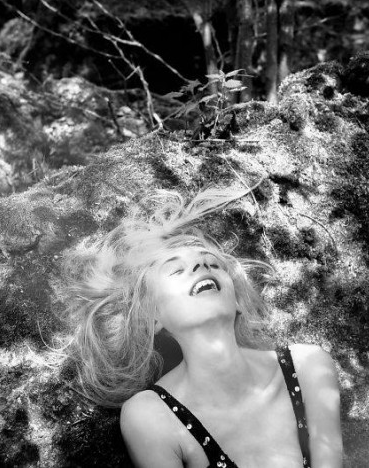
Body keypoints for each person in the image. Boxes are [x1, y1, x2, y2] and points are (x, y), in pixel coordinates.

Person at [62, 187, 343, 467]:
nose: (201, 265)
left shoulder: (307, 366)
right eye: (176, 270)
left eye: (213, 264)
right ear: (153, 318)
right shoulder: (151, 415)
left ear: (238, 301)